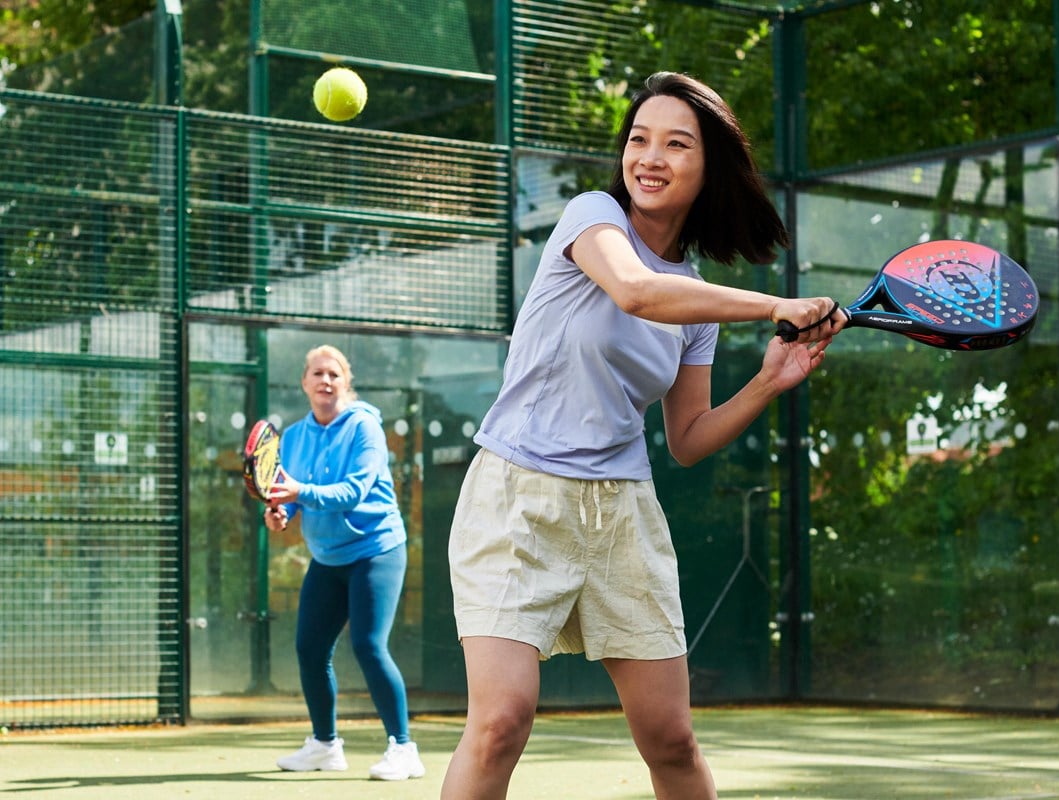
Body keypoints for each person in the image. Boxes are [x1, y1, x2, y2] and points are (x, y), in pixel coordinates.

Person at [440, 72, 846, 800]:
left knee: (673, 741)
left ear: (707, 167)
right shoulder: (591, 218)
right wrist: (775, 304)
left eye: (675, 144)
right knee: (501, 720)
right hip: (516, 500)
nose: (649, 157)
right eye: (639, 140)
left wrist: (768, 381)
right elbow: (634, 290)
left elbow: (687, 437)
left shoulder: (696, 297)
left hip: (622, 514)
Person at [262, 344, 425, 781]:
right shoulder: (294, 438)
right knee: (310, 650)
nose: (325, 381)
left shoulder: (364, 428)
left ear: (345, 383)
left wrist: (297, 494)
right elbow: (290, 497)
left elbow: (353, 491)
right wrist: (281, 513)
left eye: (333, 374)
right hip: (327, 558)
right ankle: (324, 745)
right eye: (317, 373)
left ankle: (404, 748)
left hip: (377, 549)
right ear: (305, 383)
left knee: (368, 645)